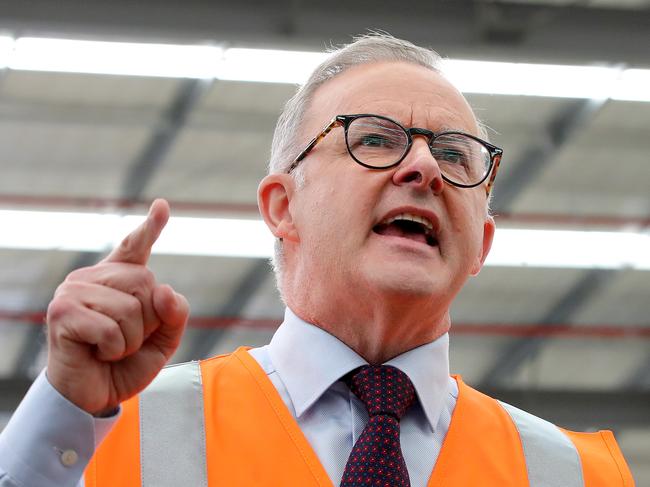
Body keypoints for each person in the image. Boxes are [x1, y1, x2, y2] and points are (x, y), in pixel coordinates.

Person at [0, 34, 635, 487]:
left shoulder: (578, 475)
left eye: (455, 153)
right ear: (282, 207)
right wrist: (64, 410)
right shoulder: (112, 432)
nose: (422, 167)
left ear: (482, 247)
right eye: (376, 139)